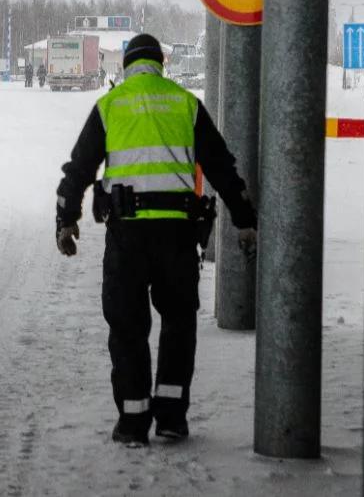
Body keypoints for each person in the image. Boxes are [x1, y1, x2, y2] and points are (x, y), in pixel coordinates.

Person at [54, 33, 258, 448]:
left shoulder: (111, 105)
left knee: (127, 326)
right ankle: (171, 418)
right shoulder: (184, 103)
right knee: (179, 323)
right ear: (160, 64)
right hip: (178, 234)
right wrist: (244, 220)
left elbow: (78, 169)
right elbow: (222, 166)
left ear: (127, 65)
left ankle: (132, 422)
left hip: (128, 235)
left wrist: (66, 220)